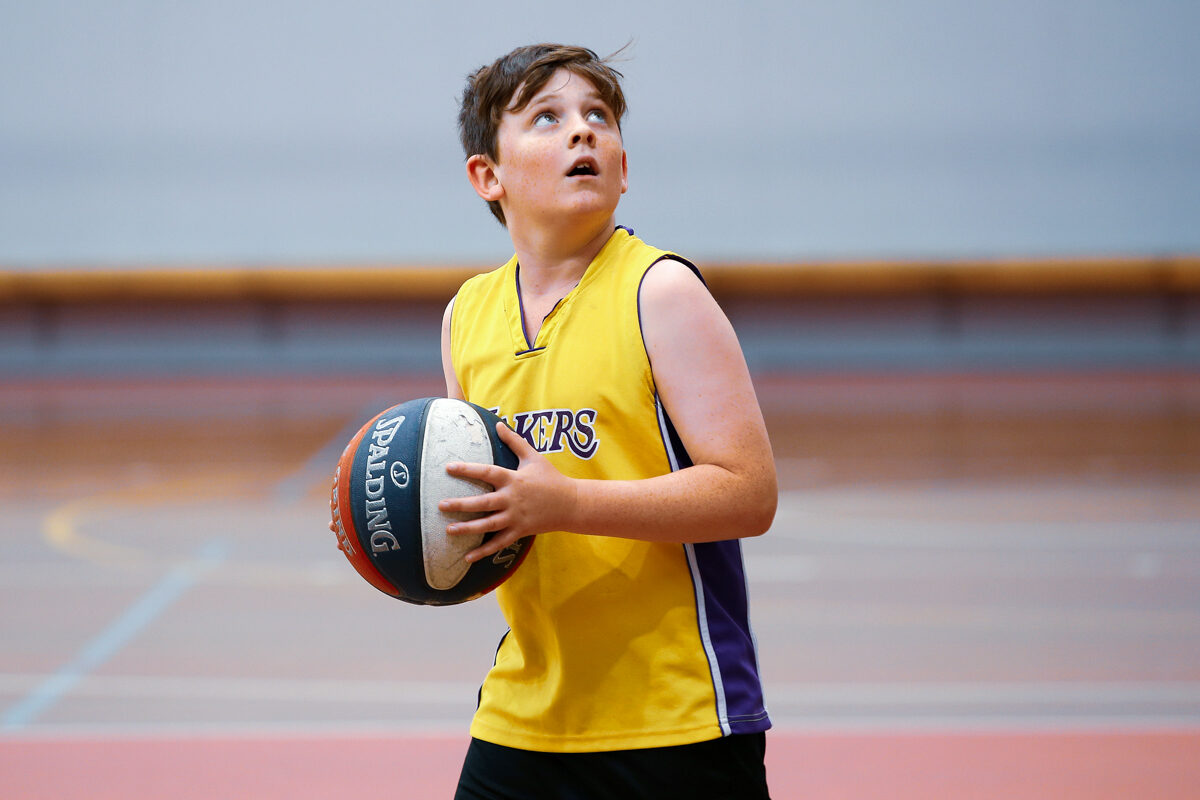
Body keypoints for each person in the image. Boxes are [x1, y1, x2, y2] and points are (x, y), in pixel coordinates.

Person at [439, 43, 778, 799]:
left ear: (624, 168)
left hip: (676, 718)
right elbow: (490, 513)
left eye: (600, 117)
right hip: (523, 714)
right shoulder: (466, 317)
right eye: (547, 118)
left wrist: (568, 505)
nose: (583, 132)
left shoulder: (661, 292)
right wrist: (422, 535)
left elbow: (750, 494)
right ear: (487, 175)